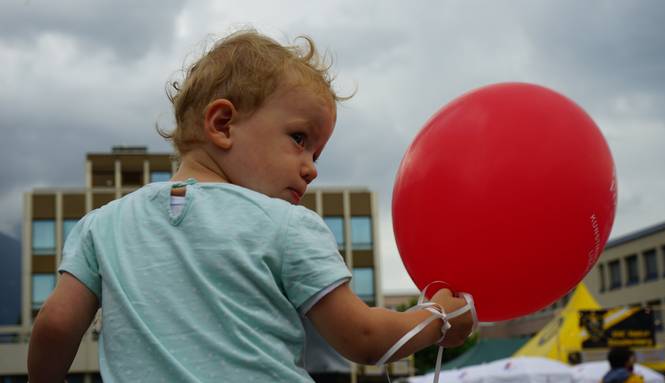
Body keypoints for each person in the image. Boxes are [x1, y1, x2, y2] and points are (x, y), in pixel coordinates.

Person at [27, 29, 473, 382]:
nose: (310, 168)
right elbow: (364, 338)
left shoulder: (100, 226)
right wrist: (439, 318)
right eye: (299, 140)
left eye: (316, 155)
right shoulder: (286, 225)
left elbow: (54, 327)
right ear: (223, 124)